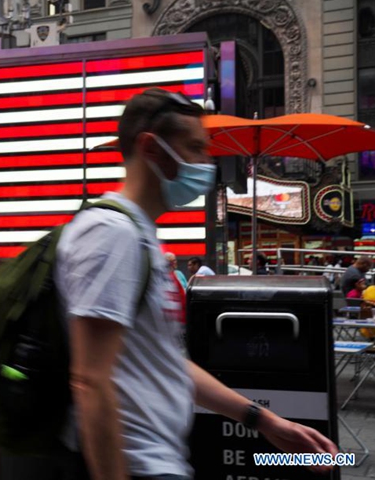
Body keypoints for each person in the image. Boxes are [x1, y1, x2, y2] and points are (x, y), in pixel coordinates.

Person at [51, 89, 336, 479]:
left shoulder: (140, 235)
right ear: (152, 148)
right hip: (136, 465)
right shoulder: (111, 234)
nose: (207, 162)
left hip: (159, 461)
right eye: (195, 148)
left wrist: (264, 420)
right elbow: (90, 380)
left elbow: (164, 361)